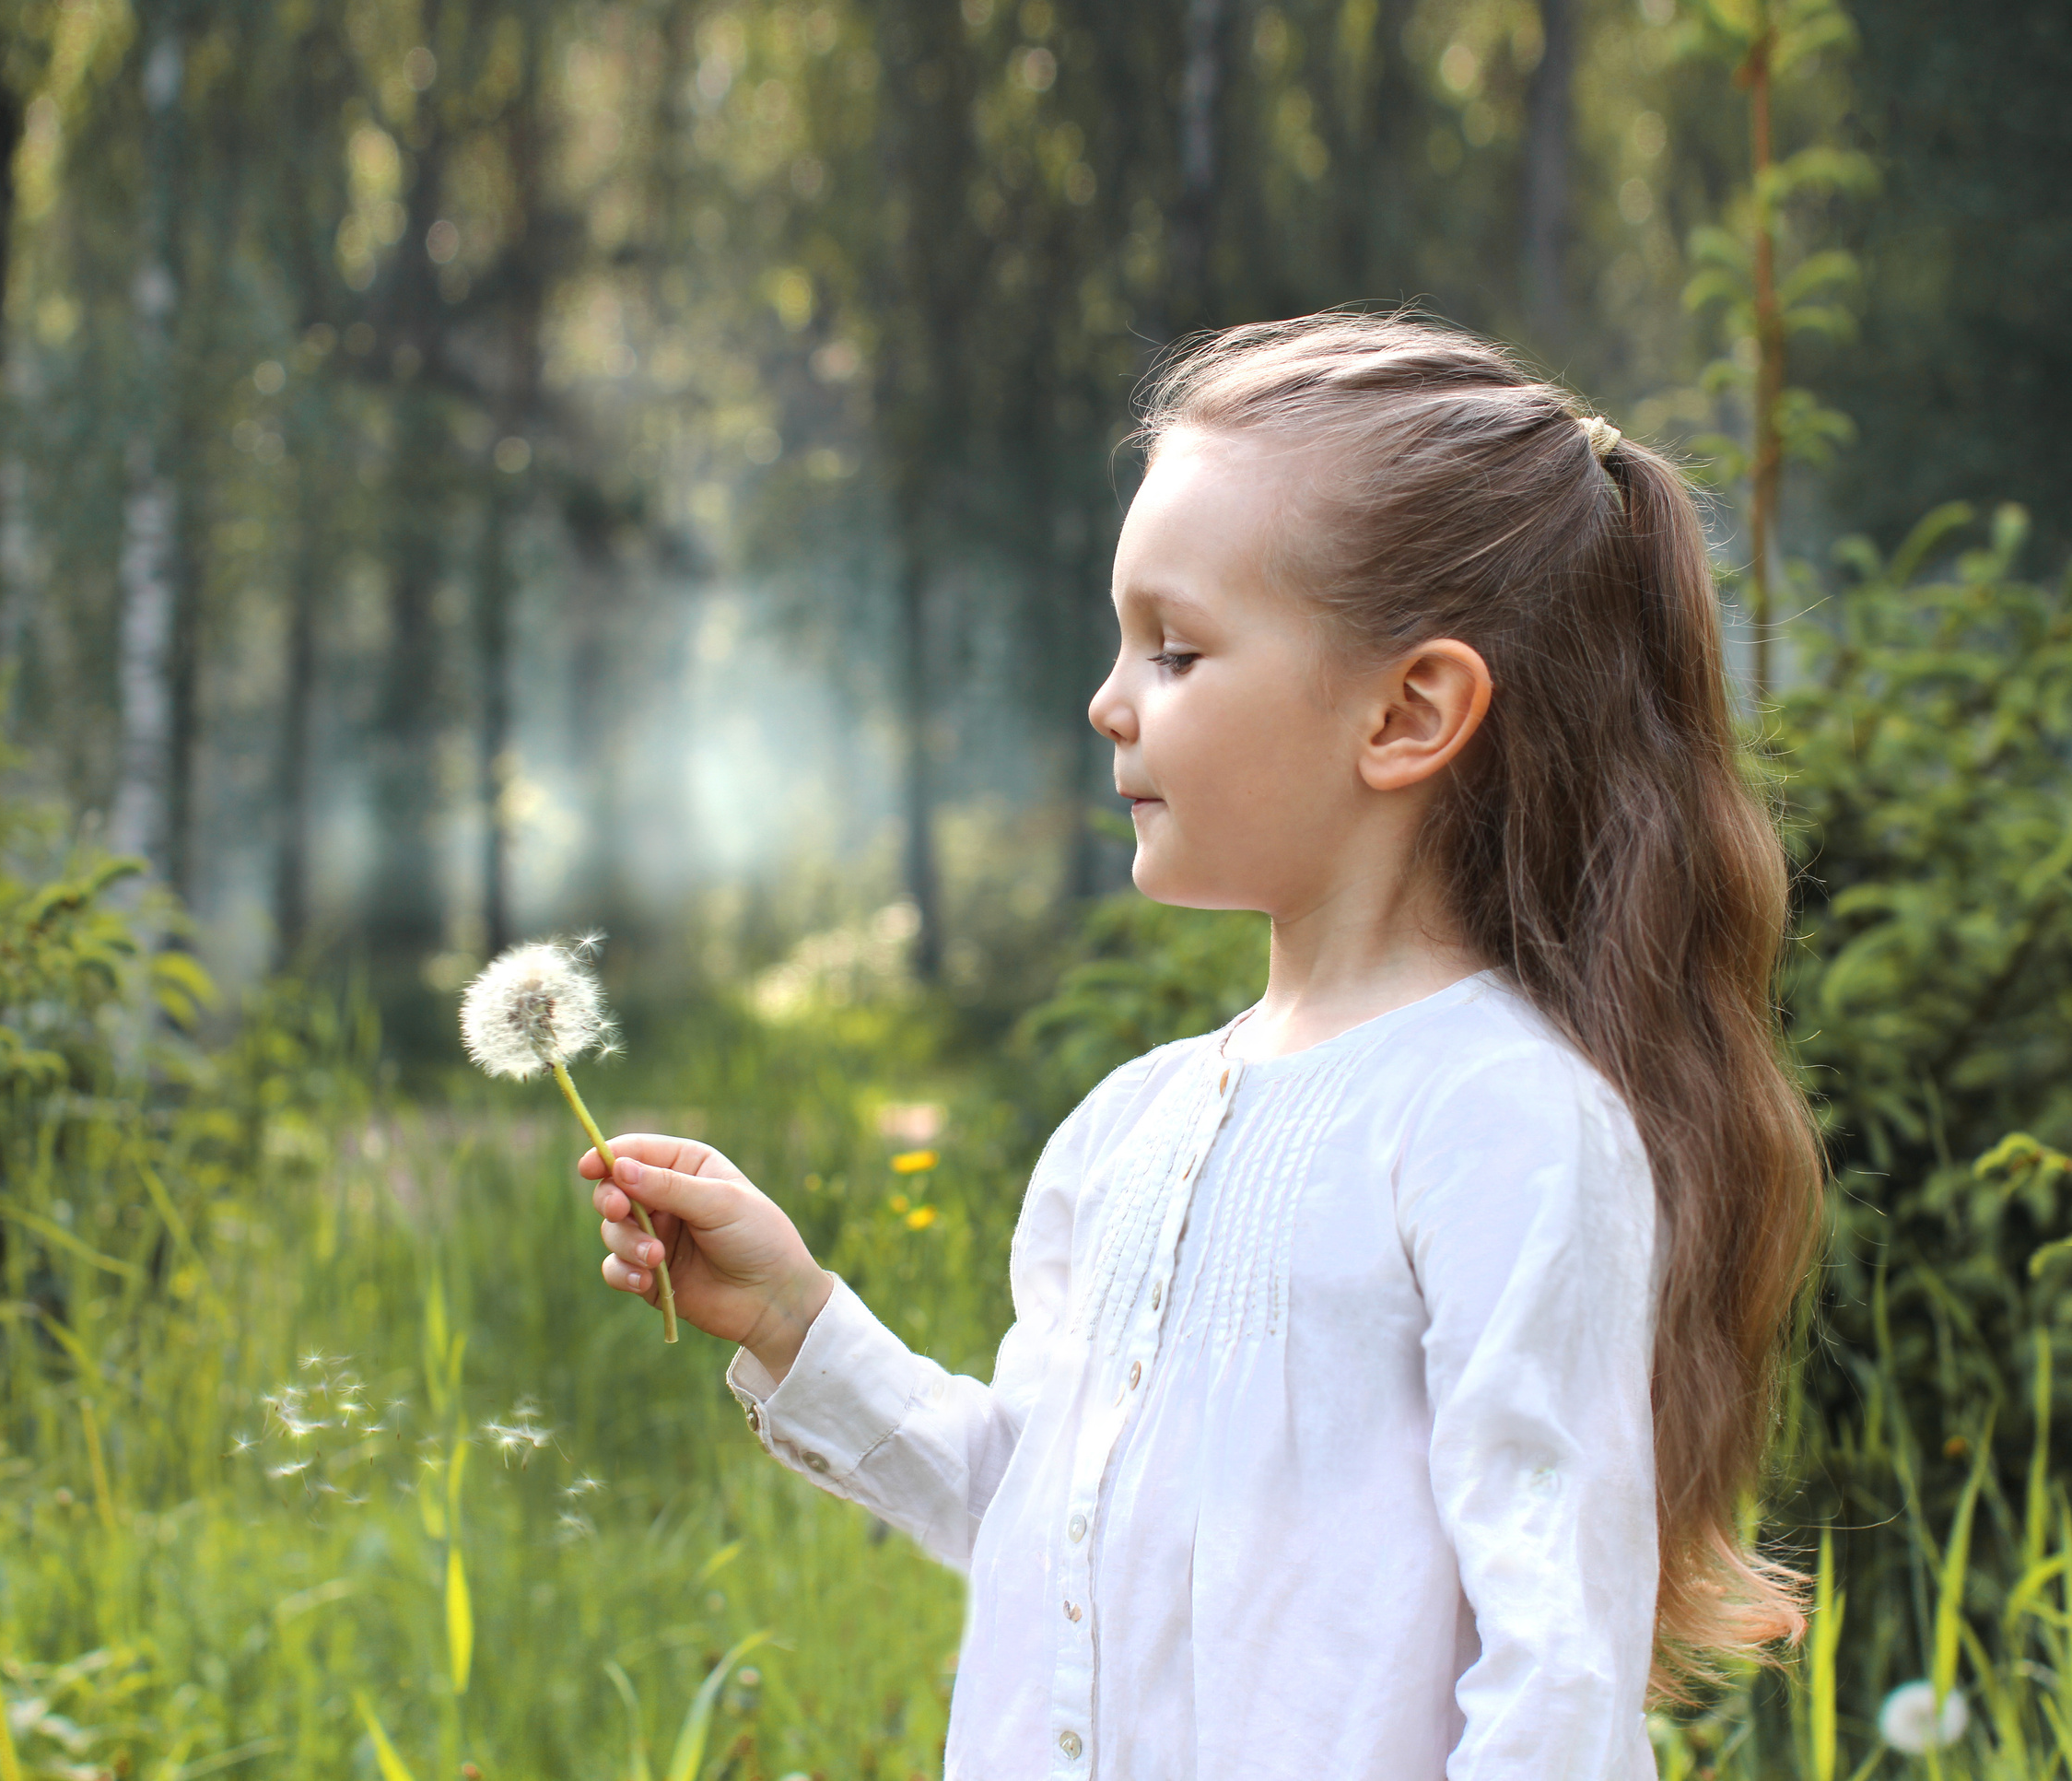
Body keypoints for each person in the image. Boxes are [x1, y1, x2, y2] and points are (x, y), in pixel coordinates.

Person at [579, 312, 1825, 1779]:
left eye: (1174, 649)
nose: (1109, 699)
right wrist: (797, 1320)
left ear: (1409, 711)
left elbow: (1556, 1663)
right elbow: (1042, 1530)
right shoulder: (1129, 1124)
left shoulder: (1502, 1121)